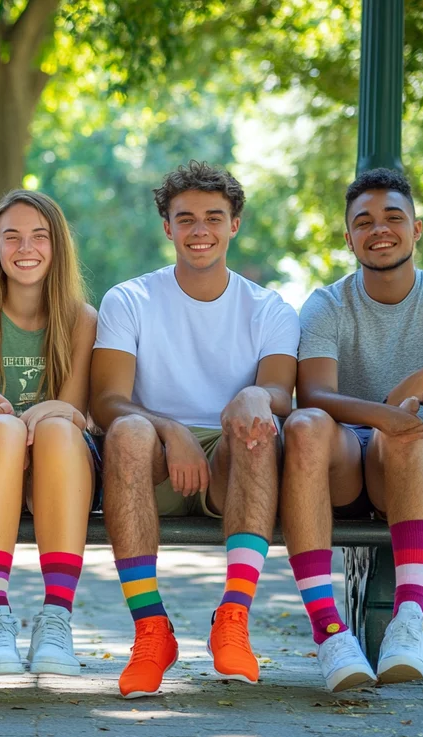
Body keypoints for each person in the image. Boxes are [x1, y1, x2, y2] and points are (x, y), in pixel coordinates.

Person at [91, 161, 299, 698]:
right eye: (185, 219)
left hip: (232, 459)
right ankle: (151, 630)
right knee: (128, 432)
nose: (199, 230)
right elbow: (108, 400)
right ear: (168, 228)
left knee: (257, 427)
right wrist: (171, 430)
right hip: (155, 458)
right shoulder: (129, 299)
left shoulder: (269, 308)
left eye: (214, 217)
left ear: (235, 224)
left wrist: (255, 396)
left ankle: (233, 618)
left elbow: (278, 392)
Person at [281, 168, 423, 691]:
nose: (379, 229)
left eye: (393, 217)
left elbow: (401, 425)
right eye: (363, 222)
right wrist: (388, 409)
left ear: (416, 230)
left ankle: (410, 619)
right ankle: (329, 632)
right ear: (349, 239)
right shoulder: (327, 304)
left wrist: (410, 396)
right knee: (304, 425)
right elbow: (315, 395)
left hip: (408, 469)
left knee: (406, 436)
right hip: (342, 467)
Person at [0, 189, 98, 679]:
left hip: (60, 469)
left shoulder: (81, 320)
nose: (25, 247)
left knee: (54, 427)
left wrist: (54, 411)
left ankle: (56, 619)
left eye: (39, 236)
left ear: (57, 248)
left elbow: (76, 413)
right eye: (11, 236)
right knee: (4, 429)